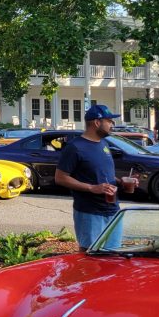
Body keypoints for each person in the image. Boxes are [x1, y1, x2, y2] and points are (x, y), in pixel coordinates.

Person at [54, 104, 122, 251]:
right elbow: (60, 178)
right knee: (90, 256)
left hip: (113, 210)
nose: (113, 124)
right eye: (109, 121)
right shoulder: (75, 147)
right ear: (97, 122)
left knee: (114, 257)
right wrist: (92, 188)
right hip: (89, 212)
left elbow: (102, 173)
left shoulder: (104, 144)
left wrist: (121, 181)